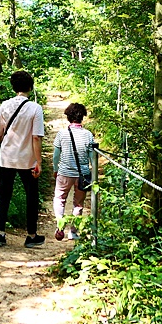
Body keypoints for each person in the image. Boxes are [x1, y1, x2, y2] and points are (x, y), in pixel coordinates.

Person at [0, 70, 45, 248]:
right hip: (27, 160)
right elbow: (36, 137)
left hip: (6, 157)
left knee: (4, 195)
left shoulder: (5, 105)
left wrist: (5, 143)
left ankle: (0, 234)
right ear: (30, 87)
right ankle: (31, 235)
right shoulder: (35, 108)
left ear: (13, 87)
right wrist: (39, 162)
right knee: (31, 196)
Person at [52, 103, 95, 241]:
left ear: (68, 117)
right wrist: (93, 174)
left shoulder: (62, 134)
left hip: (64, 172)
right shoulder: (88, 135)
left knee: (60, 198)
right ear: (82, 117)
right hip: (82, 175)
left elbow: (56, 156)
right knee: (78, 203)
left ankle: (60, 226)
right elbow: (92, 158)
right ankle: (73, 232)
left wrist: (55, 169)